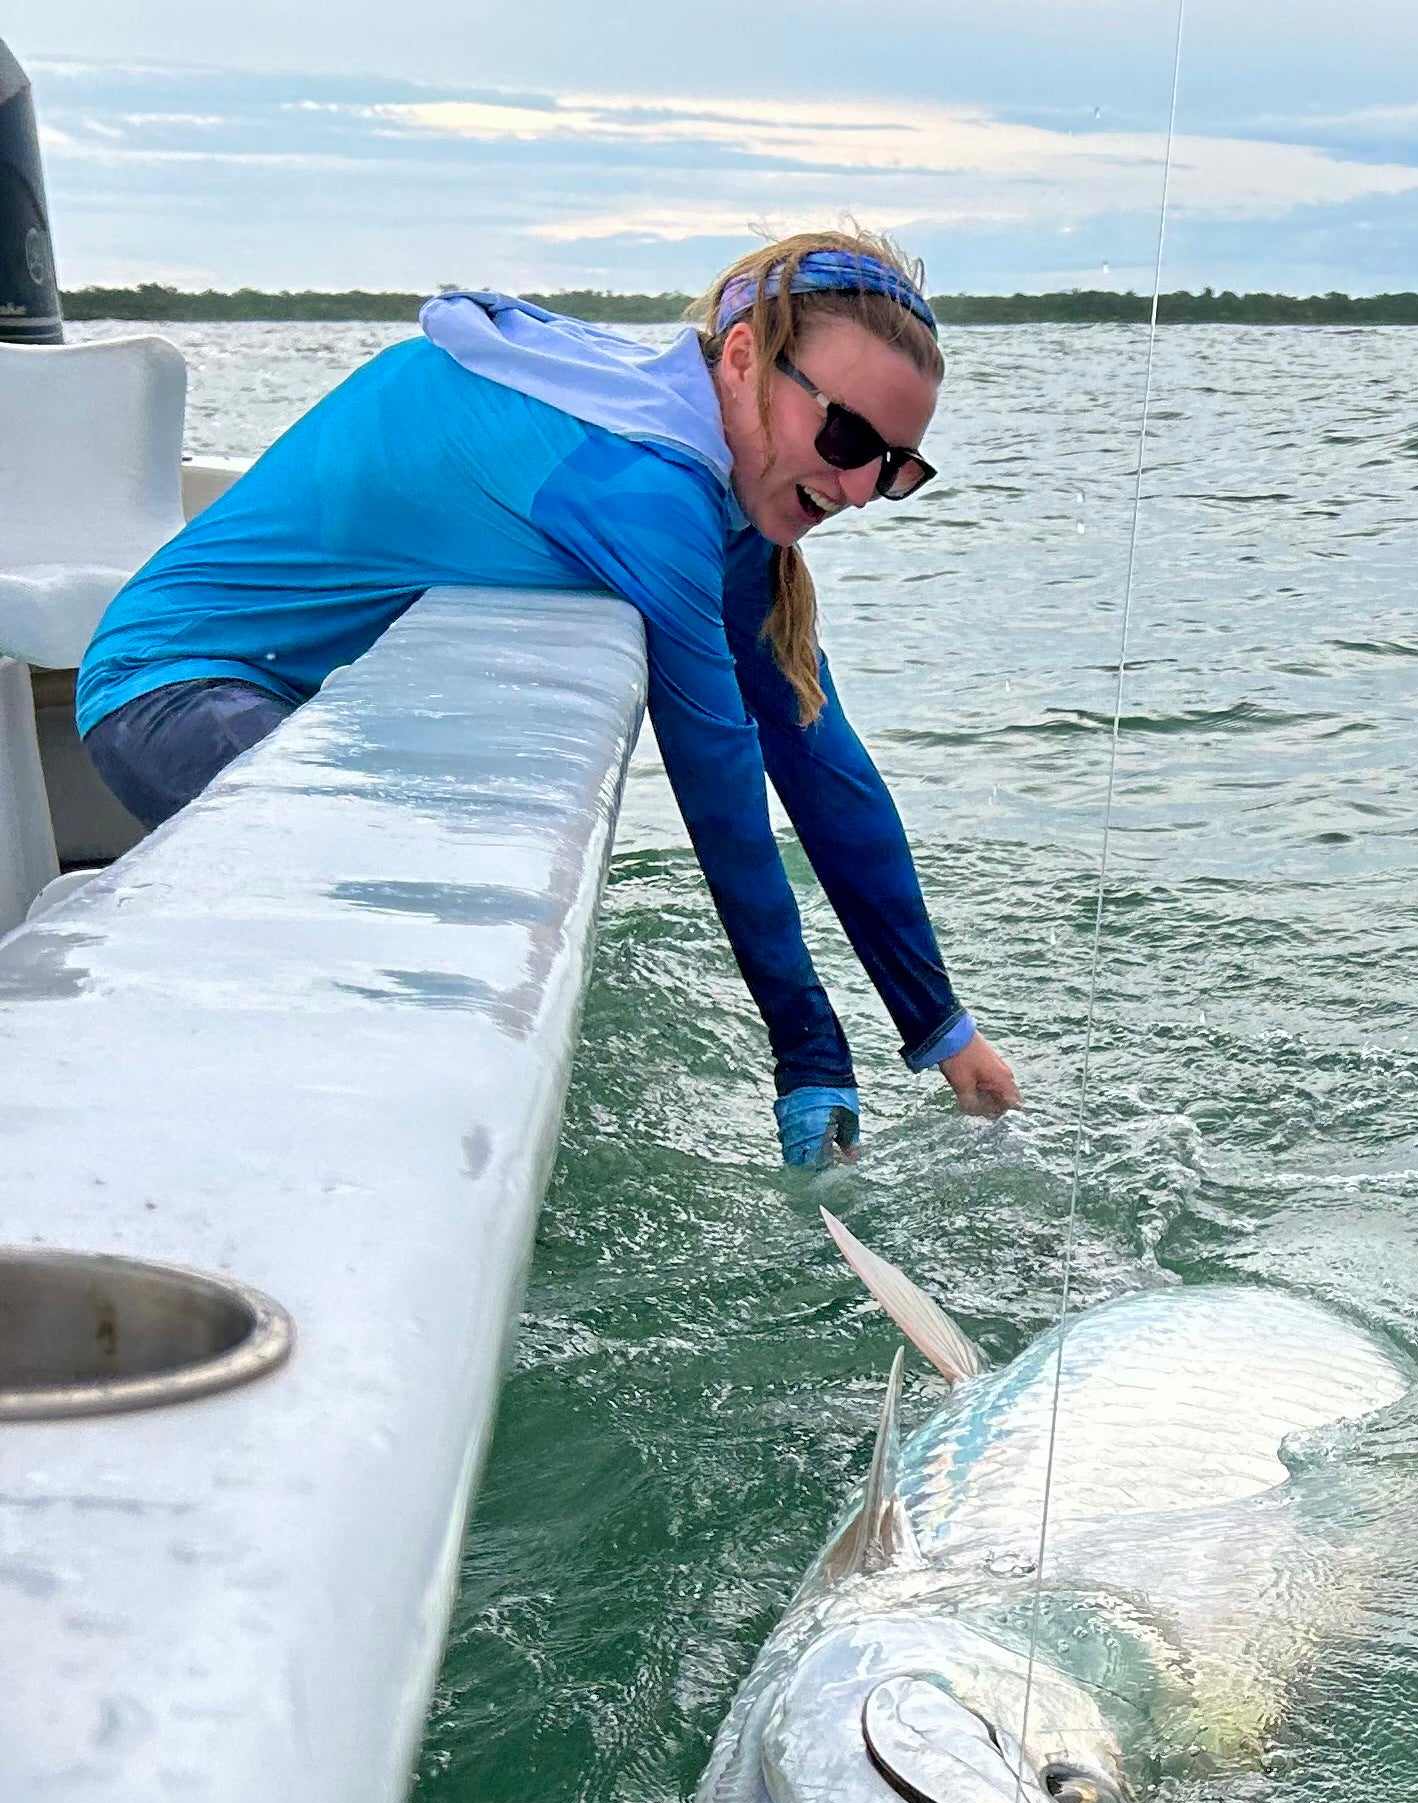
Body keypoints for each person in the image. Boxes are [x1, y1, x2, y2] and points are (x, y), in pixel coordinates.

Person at [75, 230, 1021, 1167]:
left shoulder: (716, 483)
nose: (859, 488)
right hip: (169, 691)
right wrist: (809, 1054)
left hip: (315, 708)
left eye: (896, 468)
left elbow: (819, 759)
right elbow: (720, 780)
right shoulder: (647, 486)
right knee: (386, 976)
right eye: (848, 436)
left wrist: (938, 1023)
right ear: (742, 358)